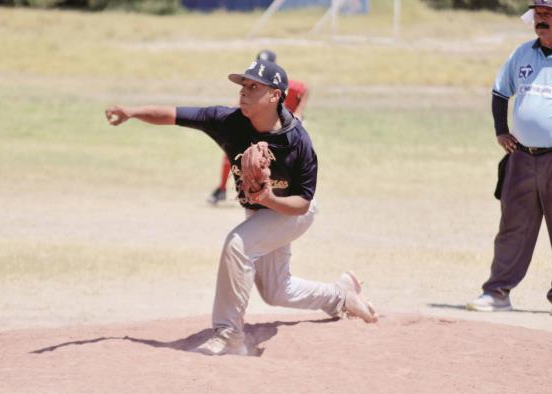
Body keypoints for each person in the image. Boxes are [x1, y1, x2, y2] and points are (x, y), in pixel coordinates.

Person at [105, 58, 377, 356]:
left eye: (253, 86)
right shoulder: (226, 121)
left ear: (275, 95)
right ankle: (341, 296)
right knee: (276, 290)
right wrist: (131, 112)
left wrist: (270, 199)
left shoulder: (297, 140)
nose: (243, 92)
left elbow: (302, 204)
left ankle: (230, 334)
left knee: (237, 244)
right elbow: (173, 115)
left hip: (292, 212)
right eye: (243, 86)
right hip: (261, 212)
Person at [467, 0, 552, 316]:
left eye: (549, 14)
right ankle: (497, 292)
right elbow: (499, 92)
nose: (542, 20)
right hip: (521, 156)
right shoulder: (522, 53)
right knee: (512, 226)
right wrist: (501, 131)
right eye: (538, 14)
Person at [207, 49, 310, 205]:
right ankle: (222, 189)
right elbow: (242, 99)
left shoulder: (284, 83)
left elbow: (304, 90)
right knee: (233, 150)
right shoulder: (254, 82)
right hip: (262, 126)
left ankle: (292, 191)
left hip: (285, 128)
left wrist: (299, 112)